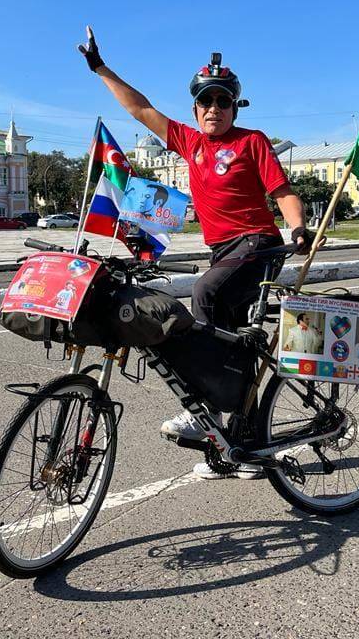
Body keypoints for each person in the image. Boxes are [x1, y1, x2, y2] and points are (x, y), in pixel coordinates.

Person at [78, 27, 316, 480]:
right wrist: (100, 68)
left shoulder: (251, 141)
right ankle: (242, 447)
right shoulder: (190, 142)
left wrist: (298, 227)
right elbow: (140, 108)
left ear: (235, 107)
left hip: (257, 244)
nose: (214, 108)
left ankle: (201, 407)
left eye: (223, 101)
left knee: (204, 293)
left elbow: (283, 192)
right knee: (235, 345)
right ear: (195, 109)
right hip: (224, 251)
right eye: (206, 101)